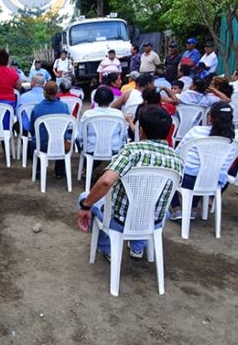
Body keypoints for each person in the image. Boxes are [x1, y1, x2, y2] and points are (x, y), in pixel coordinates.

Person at [77, 105, 184, 259]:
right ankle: (137, 247)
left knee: (85, 197)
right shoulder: (177, 159)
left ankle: (108, 248)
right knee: (153, 205)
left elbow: (106, 182)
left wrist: (85, 206)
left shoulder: (131, 151)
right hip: (153, 221)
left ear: (141, 129)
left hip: (121, 220)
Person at [169, 102, 238, 220]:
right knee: (205, 172)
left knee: (171, 173)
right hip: (214, 181)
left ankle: (176, 208)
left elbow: (178, 153)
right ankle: (193, 208)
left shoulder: (196, 132)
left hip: (188, 181)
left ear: (210, 117)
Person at [29, 81, 70, 178]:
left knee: (34, 141)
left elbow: (32, 128)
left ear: (44, 92)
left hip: (42, 145)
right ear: (57, 92)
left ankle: (39, 171)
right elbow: (68, 126)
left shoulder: (37, 108)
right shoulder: (64, 107)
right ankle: (59, 172)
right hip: (60, 144)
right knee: (61, 140)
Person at [77, 87, 126, 155]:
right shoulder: (119, 114)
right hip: (114, 149)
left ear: (95, 98)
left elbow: (80, 135)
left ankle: (88, 163)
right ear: (111, 99)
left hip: (91, 149)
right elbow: (124, 134)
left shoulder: (88, 114)